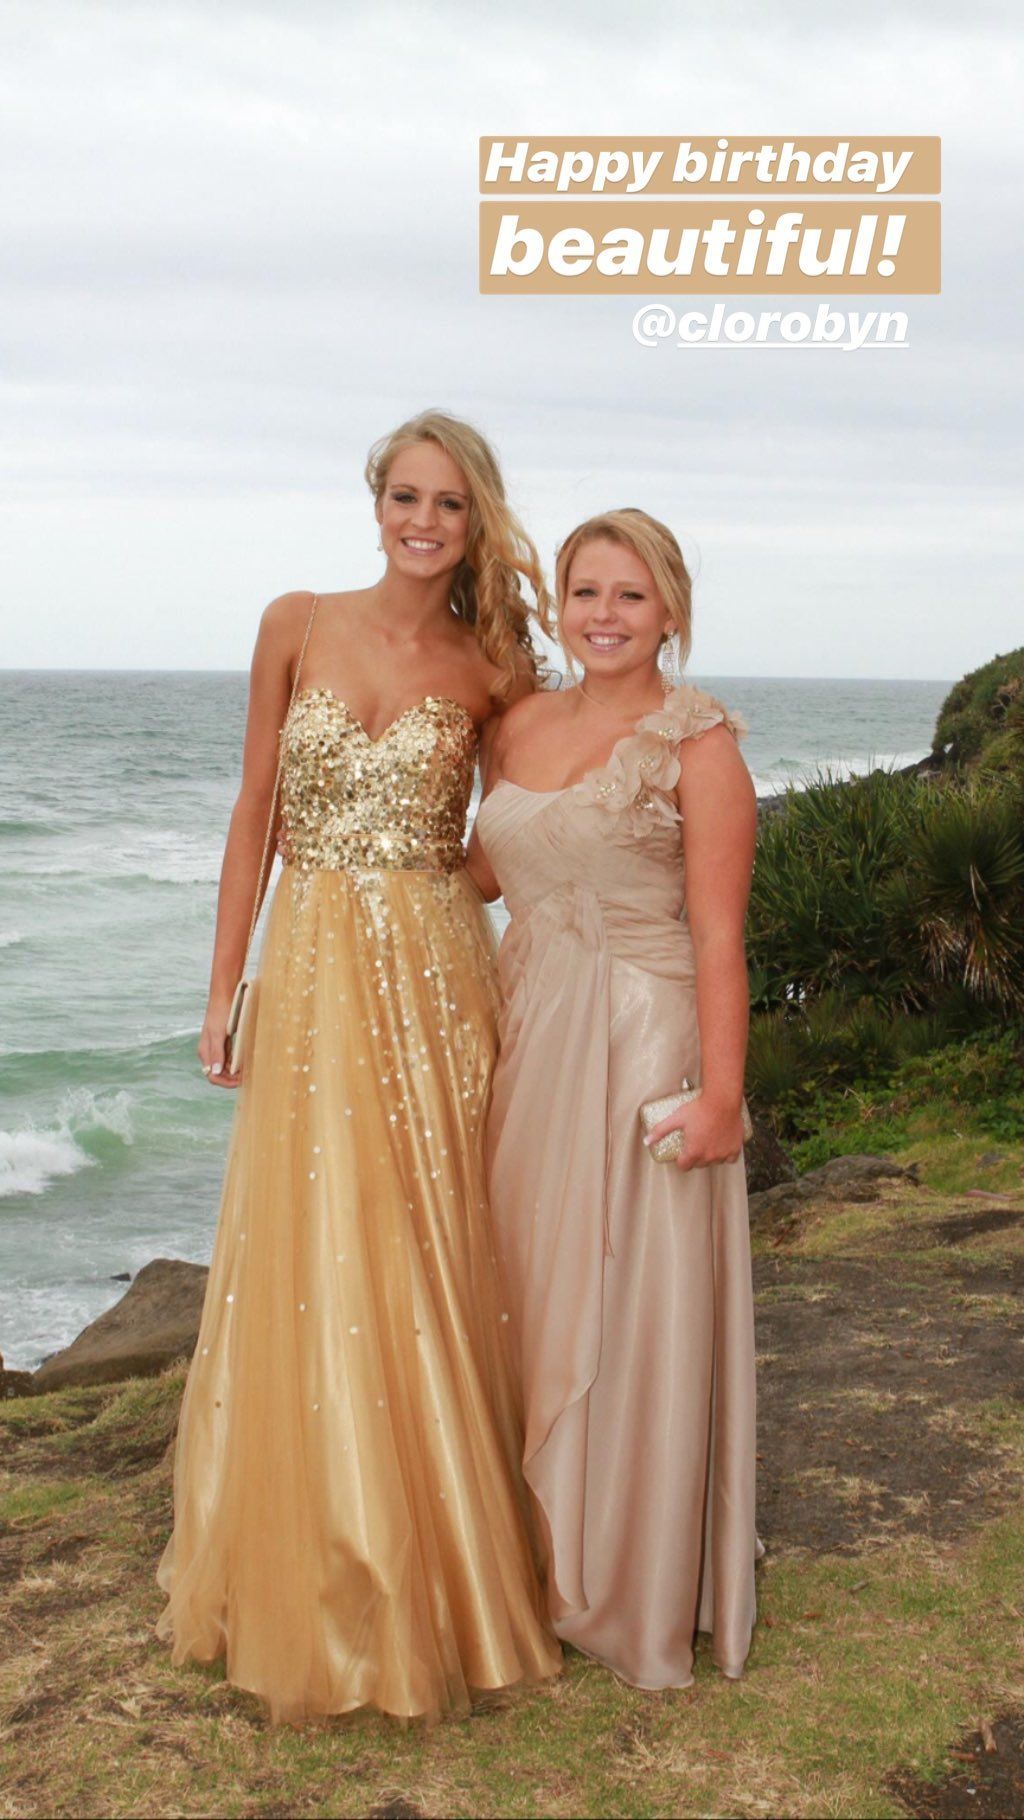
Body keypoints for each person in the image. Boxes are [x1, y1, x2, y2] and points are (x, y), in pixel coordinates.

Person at [156, 410, 562, 1724]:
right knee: (317, 1240)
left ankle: (446, 1562)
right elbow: (254, 814)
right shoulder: (296, 622)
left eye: (449, 503)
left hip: (436, 976)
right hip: (314, 967)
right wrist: (225, 986)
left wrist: (441, 880)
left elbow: (517, 828)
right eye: (405, 496)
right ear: (375, 502)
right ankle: (323, 1557)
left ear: (475, 520)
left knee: (434, 1240)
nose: (423, 522)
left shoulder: (493, 668)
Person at [468, 507, 761, 1690]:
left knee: (629, 1297)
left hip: (642, 1039)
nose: (603, 614)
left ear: (669, 610)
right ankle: (534, 1555)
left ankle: (628, 1574)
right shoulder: (518, 724)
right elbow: (484, 867)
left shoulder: (698, 742)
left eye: (629, 594)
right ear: (559, 603)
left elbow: (719, 930)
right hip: (528, 1032)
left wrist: (722, 1094)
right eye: (585, 590)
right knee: (529, 1284)